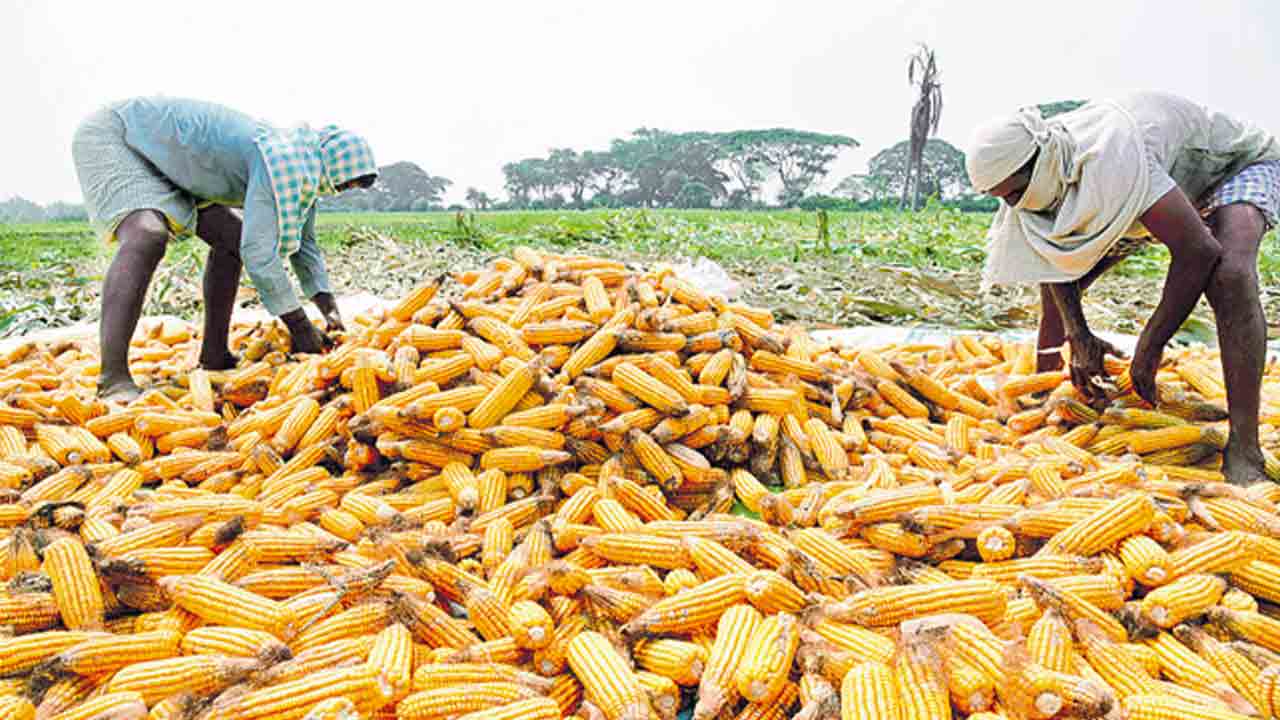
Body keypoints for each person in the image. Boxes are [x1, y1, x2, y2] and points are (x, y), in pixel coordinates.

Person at [966, 91, 1280, 486]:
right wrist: (1078, 336)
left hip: (1232, 168)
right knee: (1064, 279)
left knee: (1229, 275)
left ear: (1039, 166)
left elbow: (1197, 251)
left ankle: (1244, 446)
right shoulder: (1029, 184)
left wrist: (1149, 347)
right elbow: (1051, 261)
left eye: (1013, 194)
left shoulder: (1112, 157)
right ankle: (1044, 392)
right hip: (1156, 188)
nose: (1011, 206)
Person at [72, 96, 378, 403]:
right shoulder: (283, 161)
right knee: (147, 235)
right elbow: (259, 252)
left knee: (231, 239)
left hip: (175, 162)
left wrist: (330, 312)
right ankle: (112, 378)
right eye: (344, 184)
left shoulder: (306, 170)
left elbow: (305, 246)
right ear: (334, 167)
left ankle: (214, 353)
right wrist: (299, 326)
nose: (338, 191)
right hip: (119, 138)